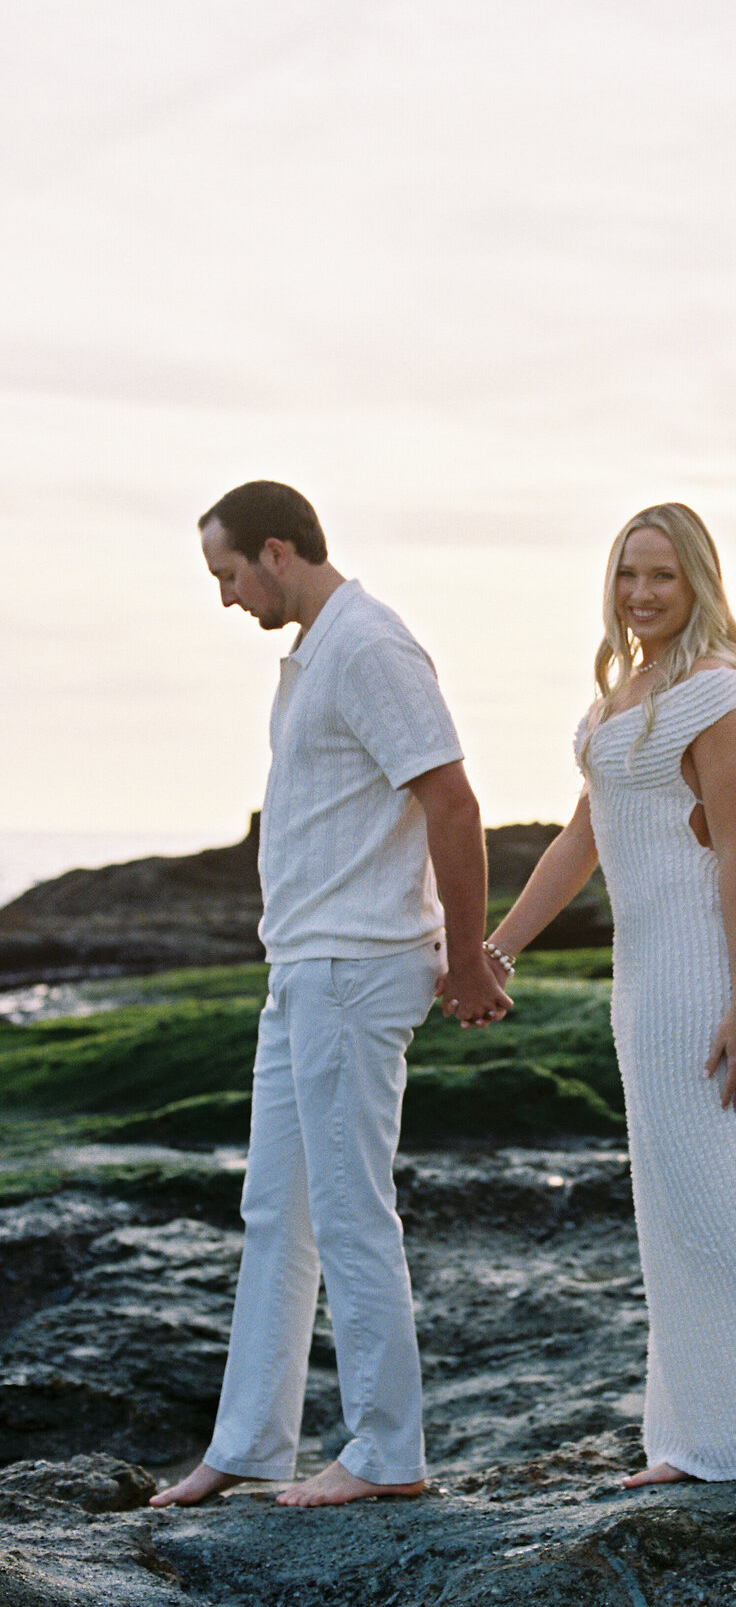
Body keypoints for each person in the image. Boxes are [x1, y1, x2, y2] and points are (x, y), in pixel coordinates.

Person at [482, 503, 736, 1495]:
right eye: (628, 574)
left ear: (700, 583)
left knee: (724, 1196)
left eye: (662, 576)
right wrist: (496, 948)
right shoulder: (614, 699)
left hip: (710, 971)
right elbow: (578, 844)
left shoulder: (716, 695)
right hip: (643, 976)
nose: (640, 594)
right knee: (667, 1205)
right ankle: (699, 1434)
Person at [151, 481, 511, 1510]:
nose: (225, 597)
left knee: (351, 1213)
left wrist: (470, 956)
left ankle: (388, 1451)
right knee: (277, 1210)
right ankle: (251, 1443)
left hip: (356, 967)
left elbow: (451, 800)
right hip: (302, 965)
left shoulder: (369, 645)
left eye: (228, 574)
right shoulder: (315, 653)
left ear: (277, 550)